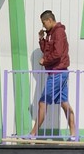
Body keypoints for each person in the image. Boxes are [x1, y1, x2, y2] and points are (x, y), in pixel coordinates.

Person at [33, 10, 76, 140]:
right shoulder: (51, 34)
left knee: (42, 102)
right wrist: (42, 39)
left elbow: (57, 53)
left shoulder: (59, 32)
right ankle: (74, 134)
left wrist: (44, 61)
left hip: (58, 72)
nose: (43, 25)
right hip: (59, 72)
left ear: (49, 20)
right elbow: (47, 49)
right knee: (64, 103)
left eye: (43, 22)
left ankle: (33, 134)